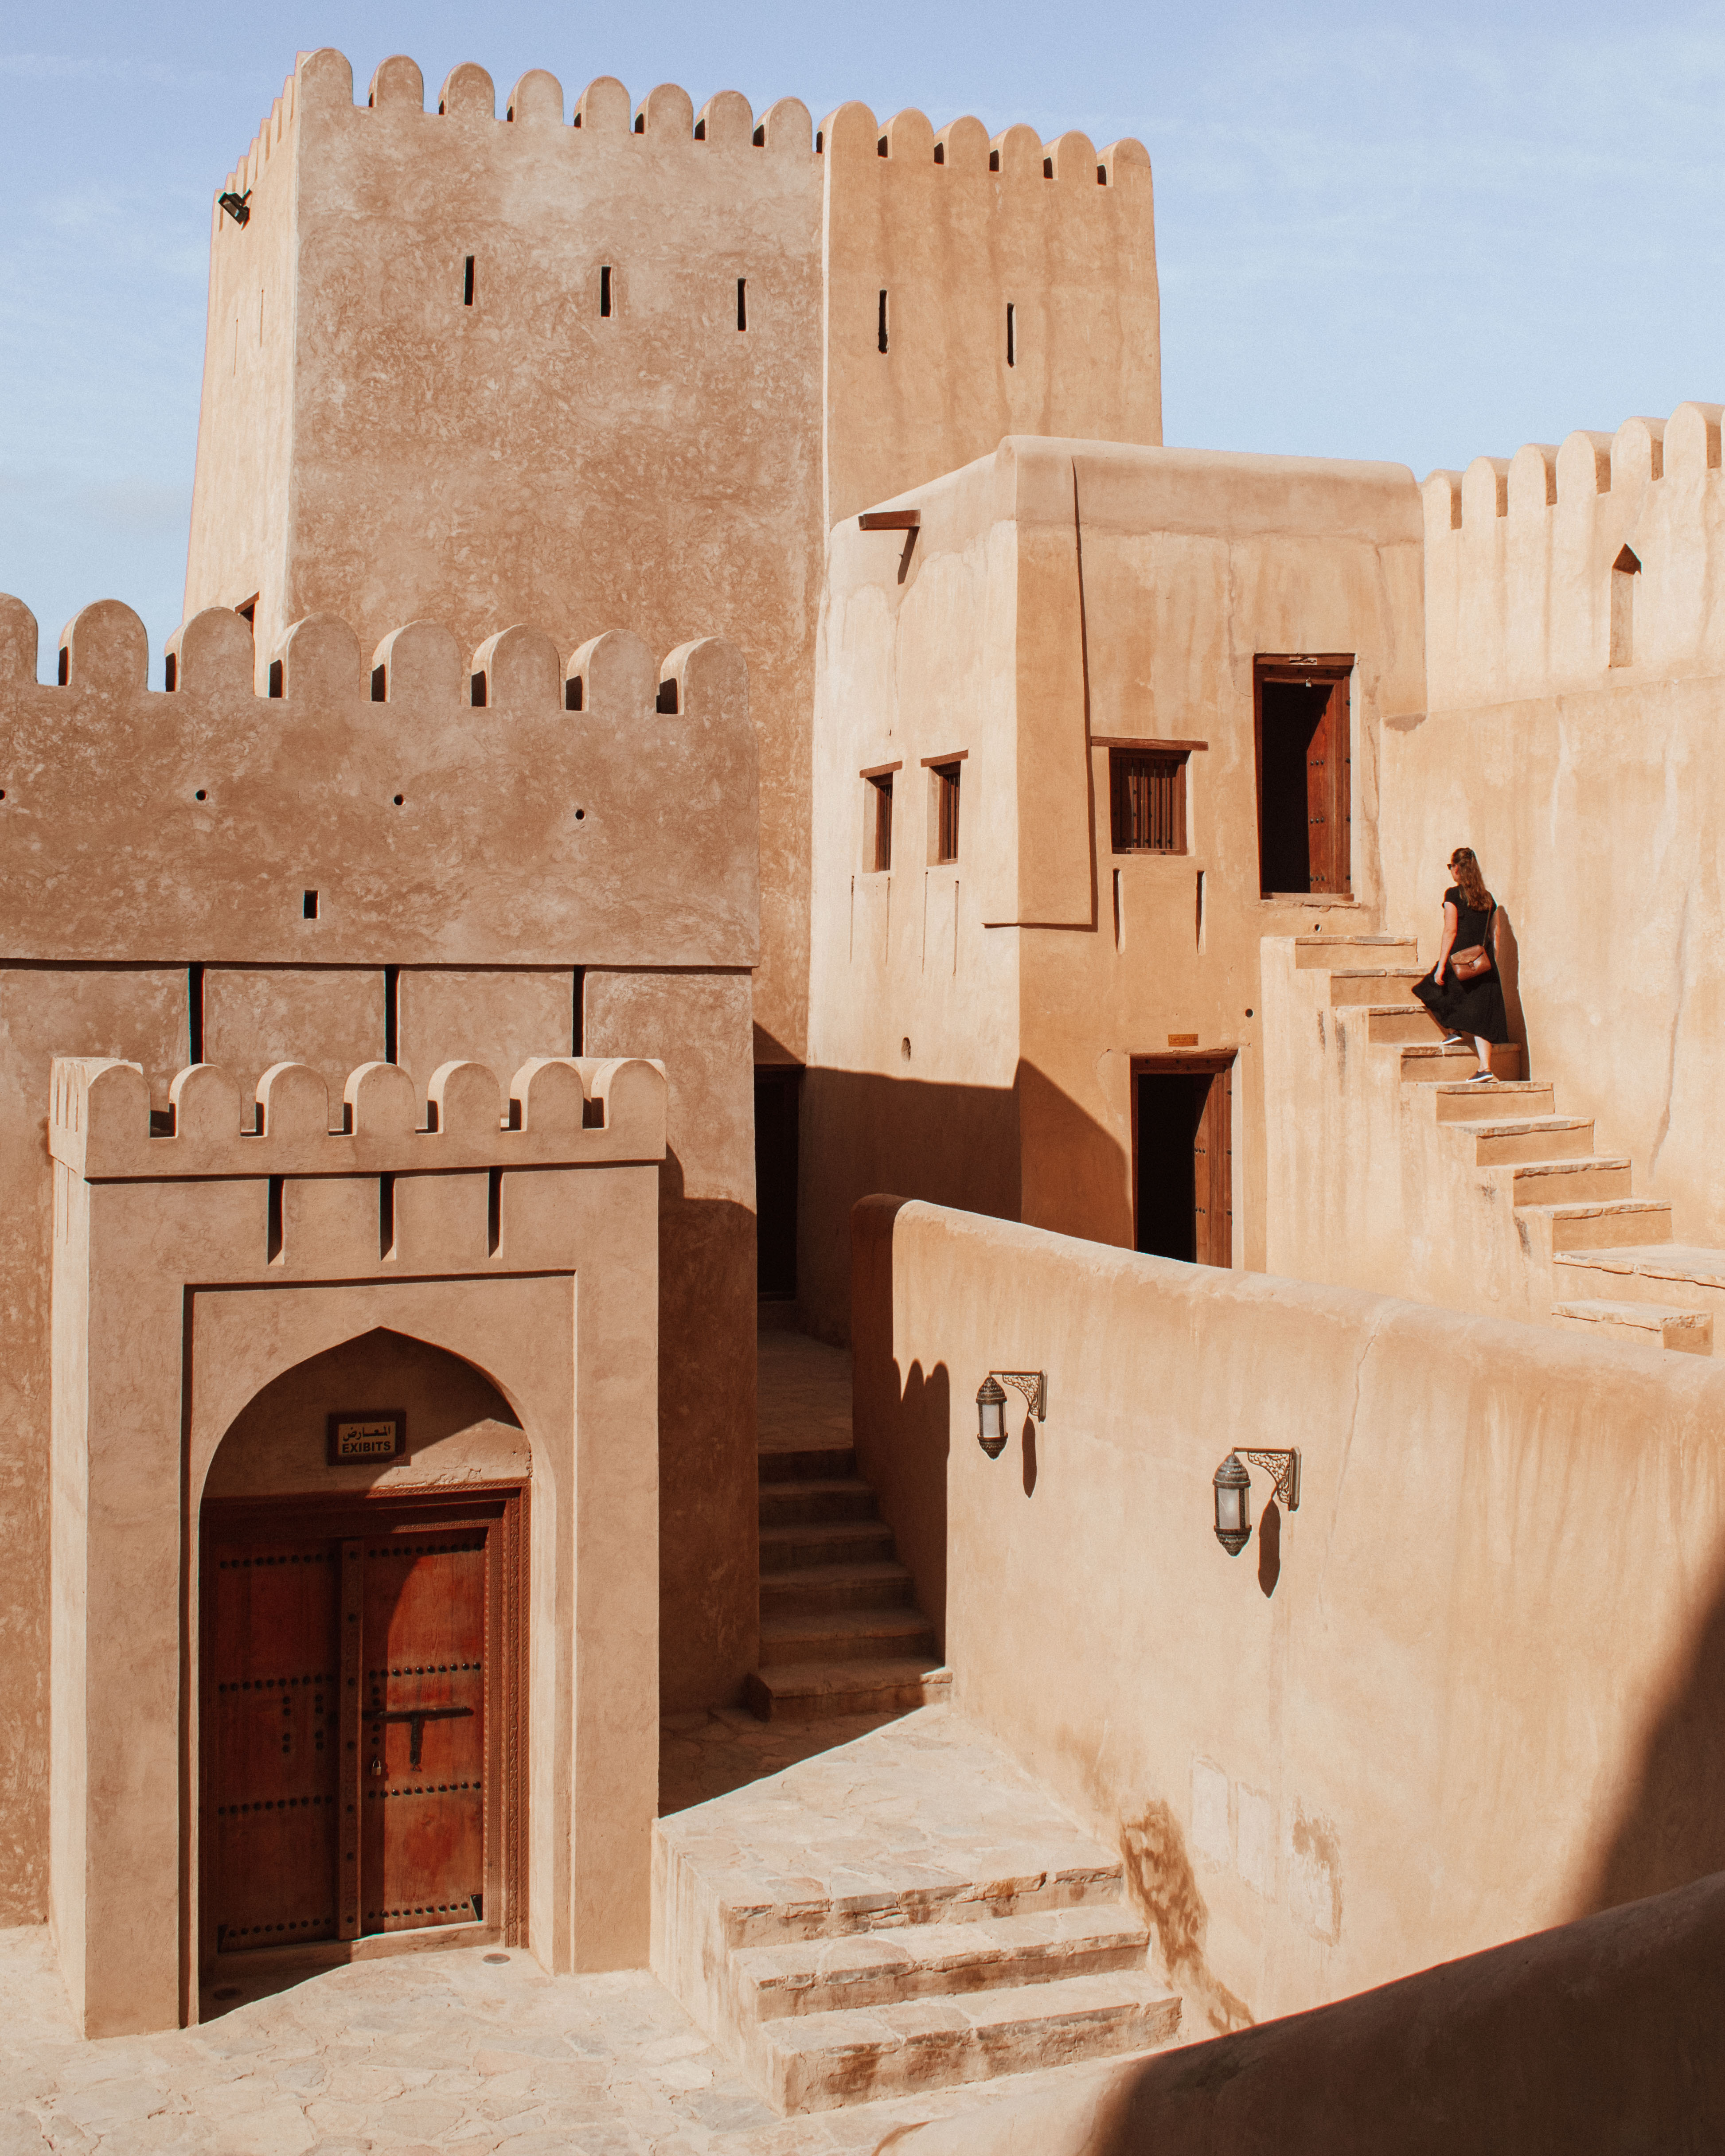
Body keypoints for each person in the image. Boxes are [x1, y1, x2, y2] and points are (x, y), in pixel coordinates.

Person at [1411, 846, 1510, 1082]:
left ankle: (1452, 1031)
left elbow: (1451, 930)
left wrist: (1442, 964)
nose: (1451, 871)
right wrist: (1490, 964)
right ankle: (1485, 1068)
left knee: (1428, 988)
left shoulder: (1453, 895)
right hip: (1483, 962)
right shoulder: (1488, 898)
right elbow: (1495, 936)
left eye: (1451, 867)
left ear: (1457, 868)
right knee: (1482, 1016)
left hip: (1459, 960)